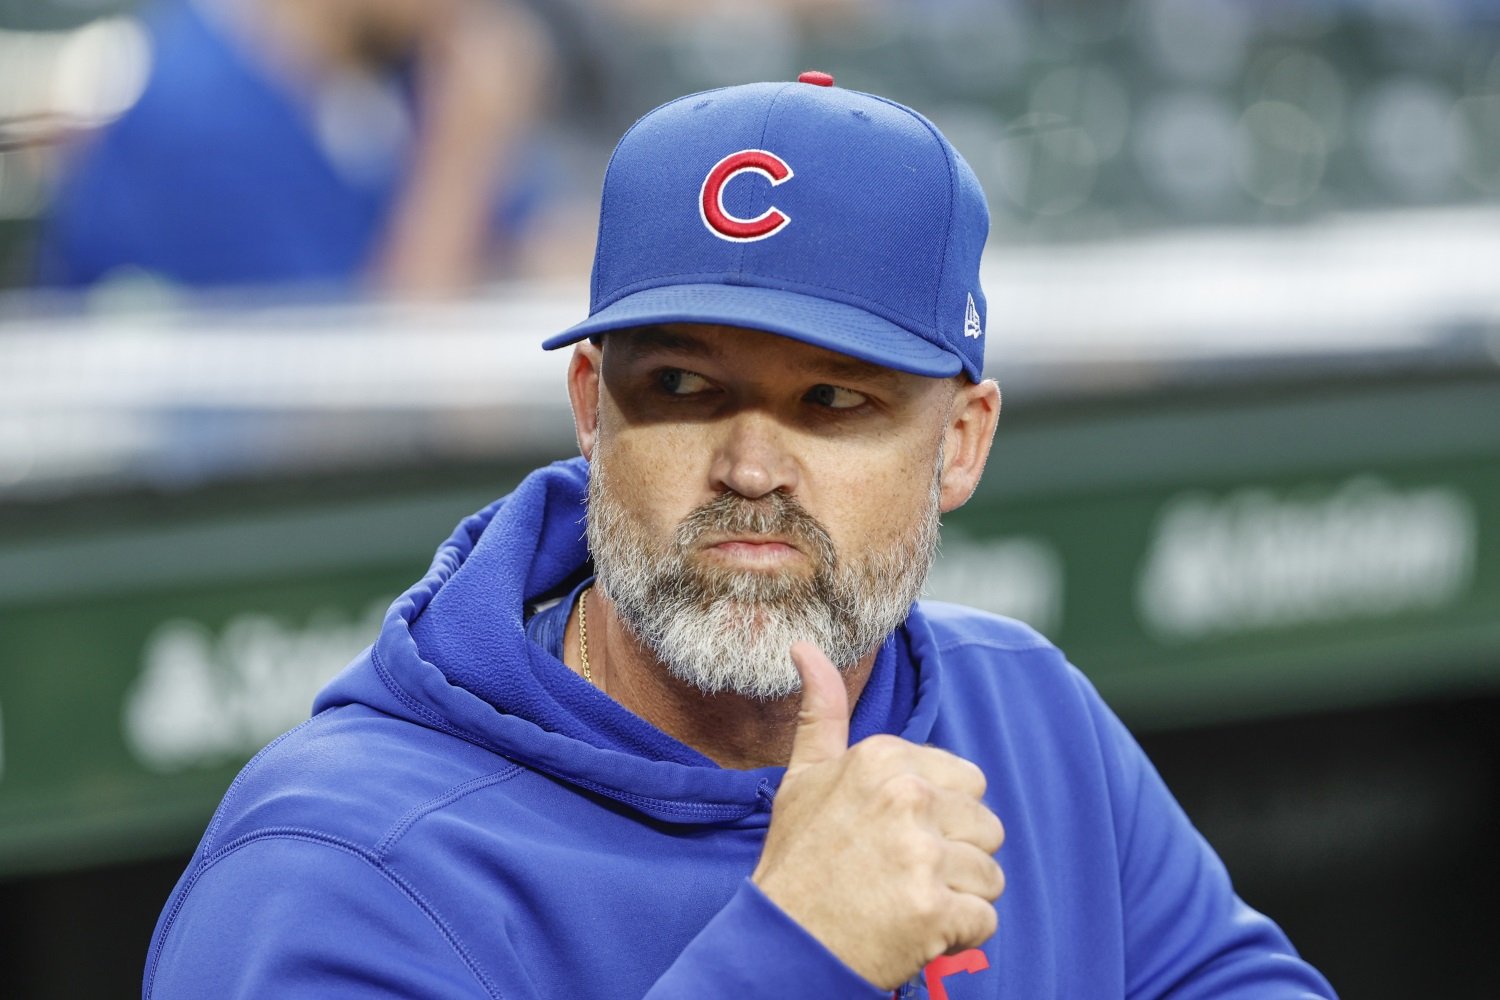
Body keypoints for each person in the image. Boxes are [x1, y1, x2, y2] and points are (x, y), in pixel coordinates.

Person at [142, 73, 1337, 998]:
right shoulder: (341, 867)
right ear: (589, 413)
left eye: (833, 400)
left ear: (962, 444)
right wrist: (793, 954)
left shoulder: (1025, 718)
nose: (753, 469)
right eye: (682, 388)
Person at [39, 0, 551, 296]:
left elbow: (546, 238)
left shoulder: (396, 66)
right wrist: (460, 163)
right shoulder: (194, 116)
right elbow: (350, 413)